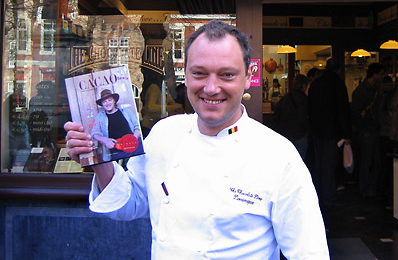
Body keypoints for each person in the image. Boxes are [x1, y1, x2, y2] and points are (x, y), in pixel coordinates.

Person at [65, 20, 328, 260]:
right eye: (199, 73)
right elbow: (129, 205)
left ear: (248, 76)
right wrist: (99, 159)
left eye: (227, 74)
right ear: (186, 76)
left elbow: (309, 253)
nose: (211, 88)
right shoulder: (164, 134)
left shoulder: (278, 155)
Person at [307, 58, 352, 211]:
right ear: (338, 69)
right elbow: (343, 110)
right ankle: (328, 197)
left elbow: (310, 107)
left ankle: (317, 195)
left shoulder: (315, 84)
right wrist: (346, 133)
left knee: (319, 164)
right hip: (332, 131)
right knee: (329, 165)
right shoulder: (338, 84)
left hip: (316, 130)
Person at [350, 62, 386, 198]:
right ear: (375, 74)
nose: (383, 77)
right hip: (368, 129)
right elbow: (356, 112)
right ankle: (366, 188)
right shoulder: (366, 91)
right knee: (369, 160)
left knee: (371, 160)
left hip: (370, 129)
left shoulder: (369, 89)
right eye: (382, 74)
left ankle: (368, 188)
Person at [92, 89, 144, 162]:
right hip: (117, 153)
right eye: (104, 101)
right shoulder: (100, 116)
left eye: (109, 100)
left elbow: (137, 126)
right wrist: (105, 140)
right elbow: (94, 134)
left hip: (135, 148)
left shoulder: (125, 111)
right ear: (102, 104)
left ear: (114, 101)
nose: (107, 103)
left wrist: (134, 139)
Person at [273, 74, 310, 159]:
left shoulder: (286, 97)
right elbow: (303, 118)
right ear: (304, 85)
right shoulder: (303, 99)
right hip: (299, 136)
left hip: (285, 135)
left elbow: (277, 116)